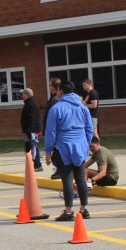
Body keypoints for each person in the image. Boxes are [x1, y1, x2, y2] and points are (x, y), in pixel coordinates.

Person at [44, 81, 93, 221]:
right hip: (80, 146)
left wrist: (48, 151)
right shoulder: (82, 108)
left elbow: (50, 132)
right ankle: (83, 209)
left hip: (63, 146)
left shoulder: (56, 108)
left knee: (67, 179)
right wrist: (85, 143)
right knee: (81, 178)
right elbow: (89, 129)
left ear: (61, 92)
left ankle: (68, 211)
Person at [44, 78, 65, 178]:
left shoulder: (56, 99)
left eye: (50, 85)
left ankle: (60, 171)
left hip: (55, 129)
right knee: (55, 151)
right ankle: (59, 170)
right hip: (51, 126)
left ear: (54, 86)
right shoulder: (53, 98)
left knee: (57, 151)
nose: (49, 87)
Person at [20, 88, 43, 171]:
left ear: (27, 95)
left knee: (33, 147)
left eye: (23, 94)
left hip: (32, 130)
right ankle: (33, 165)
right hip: (30, 130)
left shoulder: (31, 104)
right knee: (31, 147)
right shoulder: (28, 103)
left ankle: (37, 165)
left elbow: (32, 118)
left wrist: (29, 130)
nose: (22, 96)